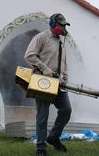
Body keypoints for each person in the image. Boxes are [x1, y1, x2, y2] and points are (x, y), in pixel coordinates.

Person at [24, 13, 72, 156]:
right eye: (60, 25)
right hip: (43, 81)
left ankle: (53, 137)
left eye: (64, 25)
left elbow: (63, 63)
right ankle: (41, 148)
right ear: (52, 24)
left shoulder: (61, 42)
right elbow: (29, 55)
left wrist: (65, 77)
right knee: (43, 116)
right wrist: (45, 69)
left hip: (59, 83)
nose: (62, 28)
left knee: (66, 110)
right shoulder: (41, 37)